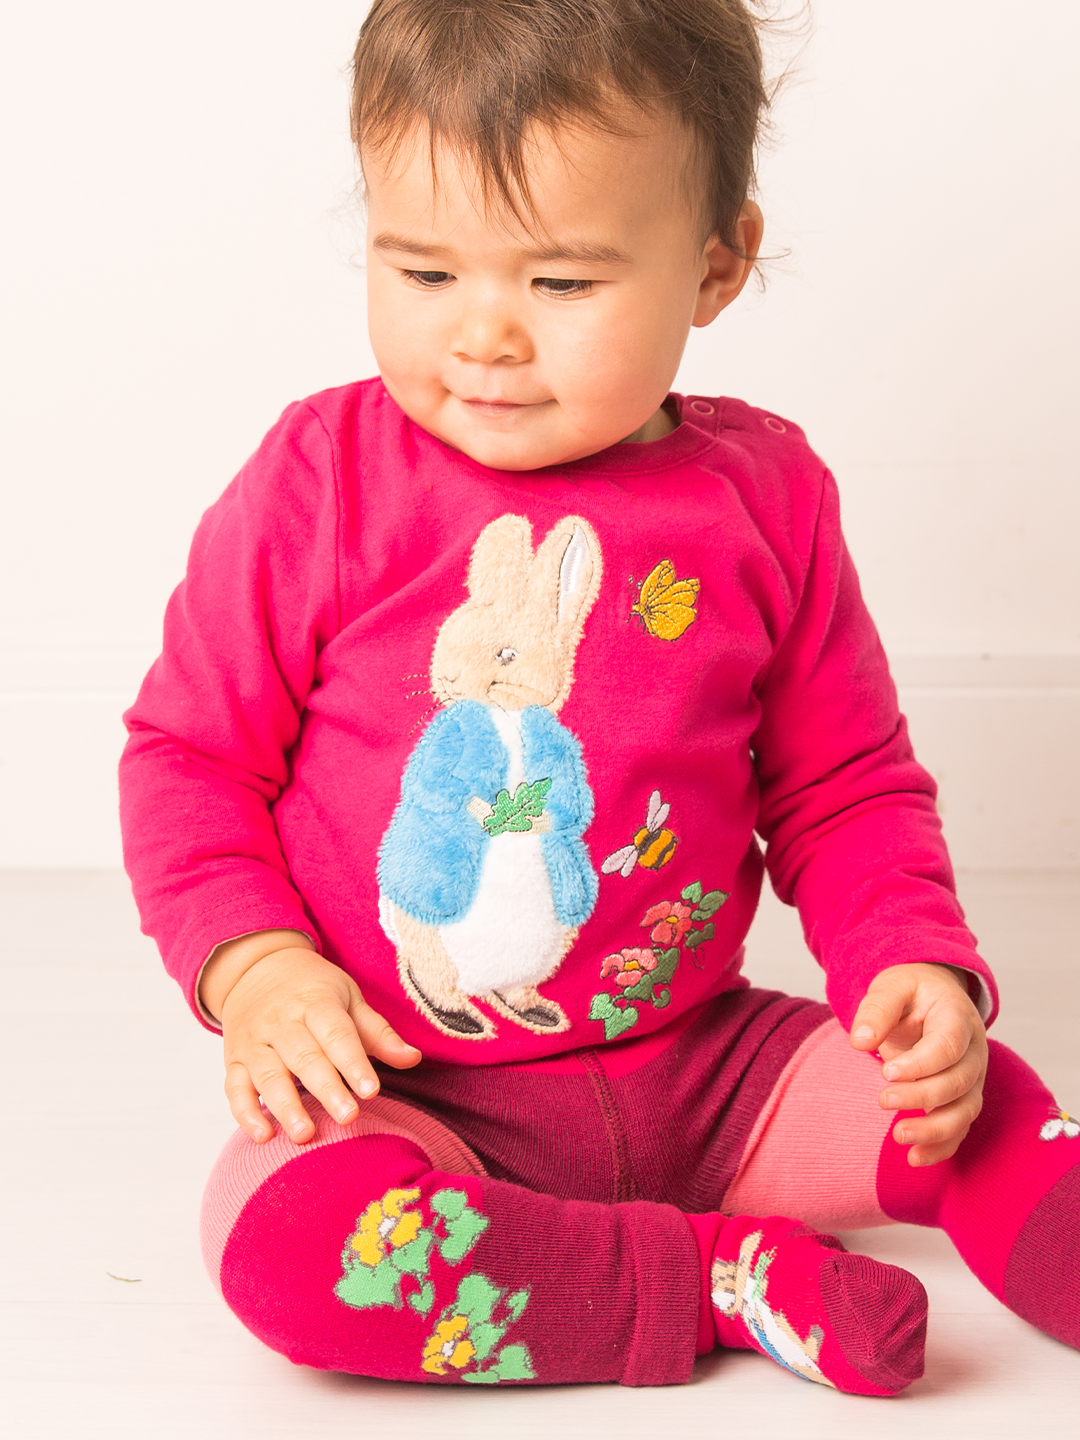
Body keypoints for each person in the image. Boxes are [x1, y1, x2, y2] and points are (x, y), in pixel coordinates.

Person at [119, 0, 1079, 1395]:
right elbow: (189, 760)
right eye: (423, 268)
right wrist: (254, 966)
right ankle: (722, 1281)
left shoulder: (766, 501)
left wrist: (909, 967)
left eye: (562, 282)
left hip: (711, 1077)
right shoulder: (322, 483)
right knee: (292, 1248)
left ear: (714, 264)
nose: (485, 335)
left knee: (973, 1100)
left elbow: (845, 786)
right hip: (416, 1096)